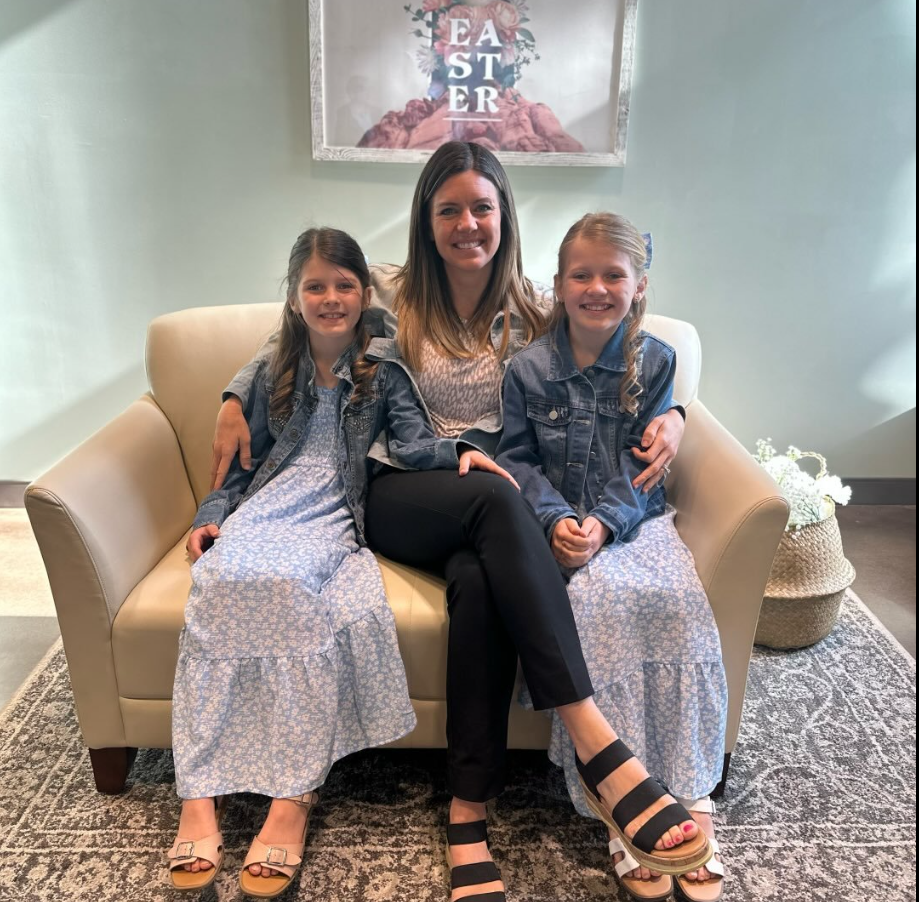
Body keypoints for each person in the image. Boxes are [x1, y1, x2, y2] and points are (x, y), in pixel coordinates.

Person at [210, 143, 707, 902]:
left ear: (504, 216)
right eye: (448, 209)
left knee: (481, 574)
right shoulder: (393, 297)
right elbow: (300, 328)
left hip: (488, 510)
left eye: (481, 207)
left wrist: (674, 412)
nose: (466, 224)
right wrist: (229, 395)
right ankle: (596, 739)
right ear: (427, 219)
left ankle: (466, 812)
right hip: (403, 491)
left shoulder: (538, 308)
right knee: (498, 497)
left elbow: (626, 350)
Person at [166, 226, 513, 898]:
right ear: (294, 299)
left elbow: (413, 446)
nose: (330, 298)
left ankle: (292, 794)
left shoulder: (382, 369)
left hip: (333, 508)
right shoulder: (272, 371)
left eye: (343, 285)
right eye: (315, 287)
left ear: (363, 292)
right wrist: (211, 514)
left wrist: (461, 453)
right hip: (271, 502)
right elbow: (241, 467)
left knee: (290, 586)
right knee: (219, 579)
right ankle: (198, 794)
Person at [496, 212, 728, 902]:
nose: (596, 288)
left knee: (676, 606)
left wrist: (603, 520)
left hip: (633, 521)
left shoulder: (654, 362)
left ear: (638, 285)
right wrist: (558, 518)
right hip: (558, 526)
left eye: (612, 275)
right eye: (581, 275)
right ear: (557, 285)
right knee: (599, 609)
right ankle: (619, 805)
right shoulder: (526, 369)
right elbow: (513, 458)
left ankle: (687, 789)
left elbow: (646, 467)